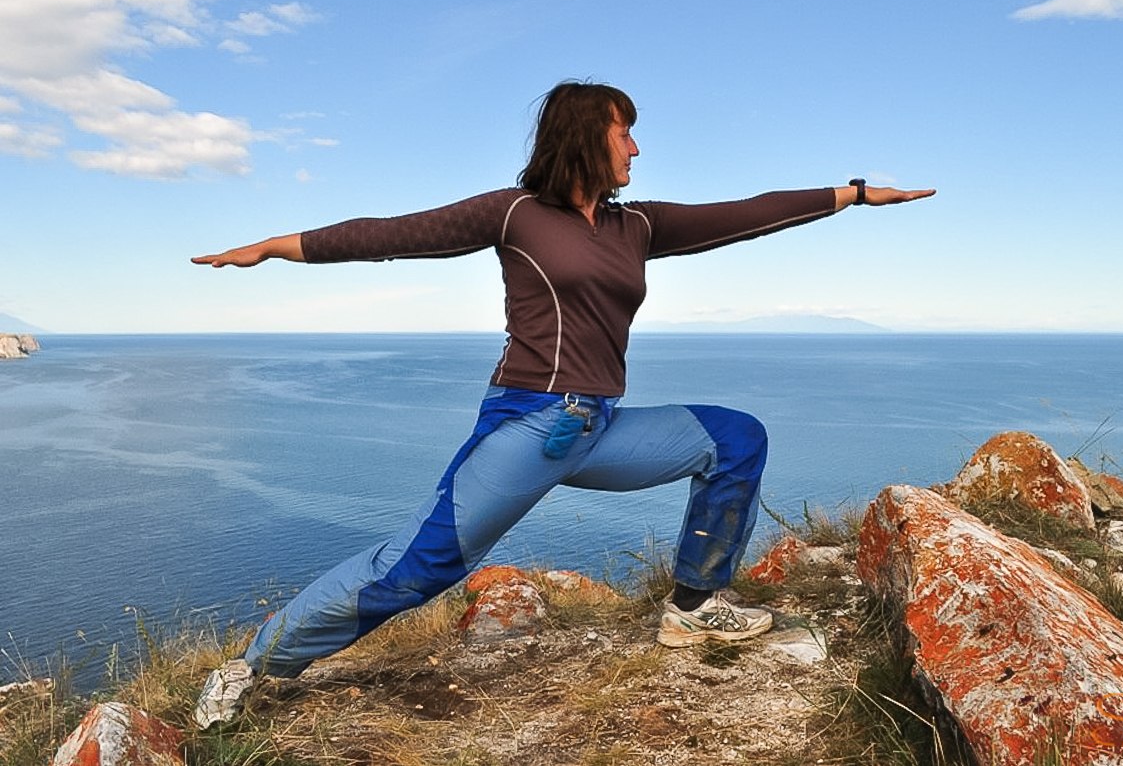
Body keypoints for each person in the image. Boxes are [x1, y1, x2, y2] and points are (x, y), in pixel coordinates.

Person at [190, 80, 935, 728]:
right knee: (413, 570)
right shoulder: (516, 213)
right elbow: (391, 234)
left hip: (598, 426)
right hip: (530, 424)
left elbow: (745, 212)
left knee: (736, 438)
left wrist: (853, 195)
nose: (635, 147)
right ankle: (251, 668)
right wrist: (274, 246)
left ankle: (695, 606)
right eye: (623, 131)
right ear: (584, 136)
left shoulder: (636, 225)